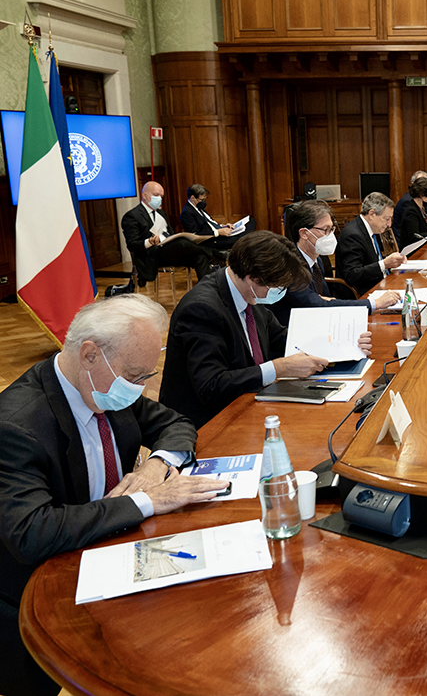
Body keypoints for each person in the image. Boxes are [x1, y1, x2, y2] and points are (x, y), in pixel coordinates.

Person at [0, 295, 228, 696]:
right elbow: (31, 531)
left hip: (113, 548)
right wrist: (149, 501)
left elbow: (176, 423)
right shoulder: (17, 425)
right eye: (135, 376)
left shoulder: (102, 387)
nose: (139, 388)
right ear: (90, 354)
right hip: (43, 586)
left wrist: (156, 465)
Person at [160, 231, 372, 428]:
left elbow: (284, 339)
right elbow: (211, 386)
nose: (278, 292)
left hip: (248, 405)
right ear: (252, 278)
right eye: (276, 286)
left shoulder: (248, 294)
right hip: (207, 423)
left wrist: (344, 344)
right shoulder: (201, 309)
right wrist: (278, 368)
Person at [268, 200, 398, 327]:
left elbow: (326, 299)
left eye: (331, 229)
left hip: (320, 321)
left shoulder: (317, 257)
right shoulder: (289, 266)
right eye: (325, 230)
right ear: (304, 234)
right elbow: (316, 304)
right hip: (294, 330)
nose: (330, 235)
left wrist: (325, 301)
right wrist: (374, 303)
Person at [122, 181, 215, 287]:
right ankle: (214, 253)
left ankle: (207, 288)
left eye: (161, 196)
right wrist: (149, 242)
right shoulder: (132, 216)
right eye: (156, 195)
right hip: (150, 256)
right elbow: (132, 244)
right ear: (144, 195)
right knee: (181, 243)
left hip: (169, 251)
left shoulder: (161, 213)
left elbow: (171, 234)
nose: (159, 199)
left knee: (200, 256)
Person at [336, 191, 408, 295]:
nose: (389, 224)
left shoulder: (370, 229)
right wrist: (384, 264)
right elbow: (352, 275)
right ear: (372, 214)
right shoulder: (352, 235)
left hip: (379, 283)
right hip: (363, 293)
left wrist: (392, 260)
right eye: (387, 219)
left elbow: (370, 259)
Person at [180, 183, 254, 253]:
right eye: (202, 200)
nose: (203, 202)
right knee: (245, 238)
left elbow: (210, 223)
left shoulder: (198, 207)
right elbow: (195, 236)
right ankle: (241, 244)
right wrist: (218, 232)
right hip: (212, 240)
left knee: (251, 221)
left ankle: (241, 243)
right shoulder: (187, 212)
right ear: (193, 198)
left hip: (218, 232)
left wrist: (223, 226)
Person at [398, 175, 427, 247]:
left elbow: (423, 230)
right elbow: (415, 236)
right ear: (422, 195)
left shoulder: (422, 207)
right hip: (411, 250)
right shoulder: (411, 211)